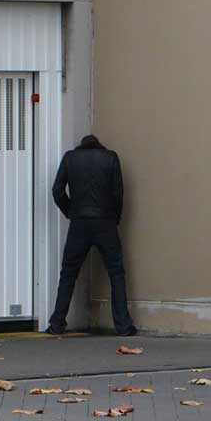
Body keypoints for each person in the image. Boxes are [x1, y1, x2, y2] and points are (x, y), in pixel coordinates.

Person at [47, 135, 137, 336]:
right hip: (105, 222)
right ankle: (123, 326)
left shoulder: (70, 158)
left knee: (68, 273)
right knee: (116, 273)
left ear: (82, 146)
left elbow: (57, 191)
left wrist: (70, 211)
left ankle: (57, 323)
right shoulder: (111, 158)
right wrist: (115, 217)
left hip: (79, 223)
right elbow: (118, 193)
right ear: (99, 146)